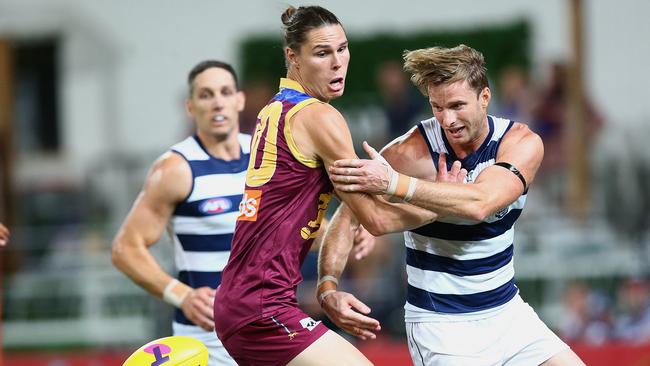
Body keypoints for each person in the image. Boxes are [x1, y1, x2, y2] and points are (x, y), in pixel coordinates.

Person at [212, 5, 461, 366]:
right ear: (292, 57)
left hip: (244, 299)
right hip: (262, 306)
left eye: (342, 49)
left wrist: (328, 281)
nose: (337, 62)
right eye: (322, 53)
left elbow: (284, 214)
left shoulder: (275, 109)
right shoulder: (321, 116)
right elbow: (376, 219)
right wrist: (442, 200)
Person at [321, 45, 586, 365]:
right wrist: (327, 285)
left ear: (484, 98)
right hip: (442, 325)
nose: (448, 119)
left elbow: (481, 203)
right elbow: (354, 217)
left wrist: (396, 186)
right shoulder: (411, 152)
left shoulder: (520, 143)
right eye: (437, 107)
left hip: (509, 314)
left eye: (458, 105)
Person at [111, 60, 248, 365]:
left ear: (240, 99)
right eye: (206, 95)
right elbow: (125, 248)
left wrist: (343, 234)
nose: (217, 103)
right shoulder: (176, 168)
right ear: (190, 106)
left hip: (270, 325)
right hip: (209, 338)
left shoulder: (264, 156)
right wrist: (181, 295)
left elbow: (293, 228)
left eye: (225, 92)